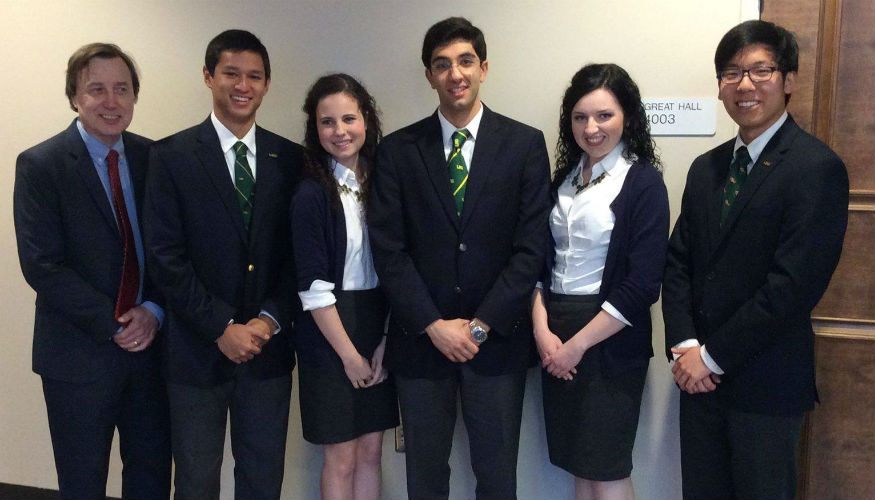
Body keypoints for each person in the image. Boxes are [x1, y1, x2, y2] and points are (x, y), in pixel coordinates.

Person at [662, 20, 849, 500]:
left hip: (766, 385)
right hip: (697, 383)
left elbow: (792, 287)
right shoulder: (707, 168)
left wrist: (711, 357)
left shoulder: (816, 168)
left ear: (788, 81)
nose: (744, 84)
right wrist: (685, 347)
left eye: (760, 70)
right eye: (731, 73)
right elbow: (678, 262)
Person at [368, 16, 552, 500]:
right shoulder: (398, 150)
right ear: (429, 75)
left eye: (466, 61)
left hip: (497, 344)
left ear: (483, 68)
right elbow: (389, 250)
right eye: (442, 64)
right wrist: (434, 325)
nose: (456, 74)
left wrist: (480, 326)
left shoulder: (524, 144)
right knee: (425, 479)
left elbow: (531, 248)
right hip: (422, 344)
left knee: (497, 479)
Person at [143, 30, 301, 500]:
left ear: (267, 84)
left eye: (255, 76)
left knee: (263, 477)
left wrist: (268, 321)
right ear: (209, 77)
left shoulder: (291, 159)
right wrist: (221, 327)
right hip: (195, 351)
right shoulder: (170, 156)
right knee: (195, 479)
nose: (243, 85)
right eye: (231, 73)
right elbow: (165, 257)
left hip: (268, 351)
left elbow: (299, 257)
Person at [13, 43, 171, 499]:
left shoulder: (154, 157)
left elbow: (172, 249)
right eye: (96, 89)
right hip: (77, 355)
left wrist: (153, 311)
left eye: (122, 89)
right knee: (82, 483)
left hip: (151, 351)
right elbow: (42, 265)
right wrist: (116, 322)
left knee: (151, 477)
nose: (111, 101)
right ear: (74, 97)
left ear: (134, 96)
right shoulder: (40, 165)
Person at [531, 63, 669, 500]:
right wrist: (543, 333)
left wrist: (576, 347)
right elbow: (540, 265)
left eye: (604, 115)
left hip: (609, 339)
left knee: (607, 470)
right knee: (580, 467)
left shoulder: (643, 182)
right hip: (555, 333)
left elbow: (642, 284)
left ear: (627, 116)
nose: (591, 128)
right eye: (580, 117)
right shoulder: (564, 181)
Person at [291, 73, 398, 500]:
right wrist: (350, 357)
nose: (340, 131)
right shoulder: (310, 193)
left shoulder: (383, 184)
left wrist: (386, 339)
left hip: (376, 324)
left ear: (366, 119)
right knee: (342, 457)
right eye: (327, 122)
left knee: (371, 452)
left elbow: (397, 267)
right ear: (314, 129)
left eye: (349, 119)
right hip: (328, 333)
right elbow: (312, 287)